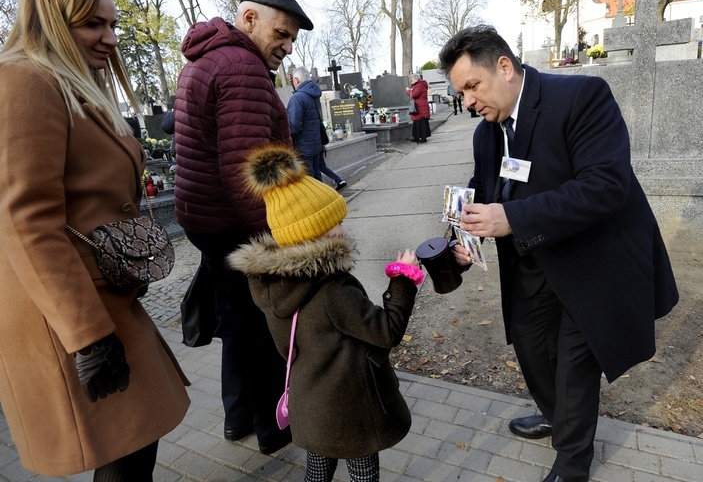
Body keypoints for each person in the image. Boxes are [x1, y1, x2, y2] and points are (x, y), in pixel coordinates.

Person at [439, 25, 678, 482]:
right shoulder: (486, 133)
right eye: (461, 92)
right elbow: (482, 187)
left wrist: (512, 219)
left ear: (504, 68)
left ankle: (572, 462)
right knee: (531, 349)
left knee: (573, 364)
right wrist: (463, 234)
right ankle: (557, 415)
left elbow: (606, 184)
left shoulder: (582, 96)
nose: (467, 101)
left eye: (472, 86)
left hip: (593, 261)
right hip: (532, 259)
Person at [0, 0, 190, 479]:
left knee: (133, 447)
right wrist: (88, 336)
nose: (109, 38)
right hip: (71, 313)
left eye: (112, 25)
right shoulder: (24, 81)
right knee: (125, 451)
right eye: (93, 25)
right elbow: (25, 221)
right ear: (51, 20)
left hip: (103, 297)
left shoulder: (67, 84)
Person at [173, 0, 313, 455]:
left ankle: (237, 417)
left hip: (203, 219)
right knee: (262, 326)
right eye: (282, 33)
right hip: (234, 223)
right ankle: (275, 429)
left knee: (236, 321)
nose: (288, 47)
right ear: (249, 19)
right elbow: (247, 169)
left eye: (293, 37)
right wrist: (278, 239)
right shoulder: (242, 67)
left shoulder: (206, 58)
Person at [228, 144, 423, 482]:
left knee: (317, 473)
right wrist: (403, 282)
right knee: (364, 473)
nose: (344, 230)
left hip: (311, 406)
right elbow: (387, 331)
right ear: (313, 236)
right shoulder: (334, 290)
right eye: (336, 225)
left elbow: (284, 348)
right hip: (351, 408)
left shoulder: (272, 284)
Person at [287, 66, 323, 180]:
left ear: (297, 80)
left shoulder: (297, 98)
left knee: (309, 182)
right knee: (317, 178)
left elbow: (294, 126)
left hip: (303, 148)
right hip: (316, 144)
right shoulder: (314, 95)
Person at [406, 73, 431, 143]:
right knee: (417, 122)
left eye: (412, 79)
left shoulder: (419, 86)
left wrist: (408, 91)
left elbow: (414, 94)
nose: (411, 81)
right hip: (418, 106)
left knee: (422, 122)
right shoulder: (418, 85)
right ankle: (416, 137)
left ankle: (423, 137)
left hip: (420, 106)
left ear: (416, 79)